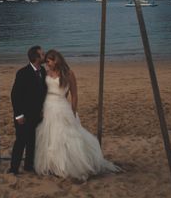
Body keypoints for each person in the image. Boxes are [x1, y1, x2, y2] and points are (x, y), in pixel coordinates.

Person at [34, 49, 119, 181]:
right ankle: (53, 165)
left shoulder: (69, 73)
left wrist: (73, 111)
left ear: (56, 60)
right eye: (46, 62)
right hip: (48, 105)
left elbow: (74, 95)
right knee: (50, 136)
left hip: (61, 106)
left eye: (49, 62)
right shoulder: (47, 72)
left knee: (64, 136)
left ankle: (66, 166)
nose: (47, 64)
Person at [8, 45, 47, 174]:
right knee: (21, 141)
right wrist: (19, 115)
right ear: (36, 57)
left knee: (32, 141)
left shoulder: (43, 71)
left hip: (37, 114)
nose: (44, 55)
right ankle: (13, 168)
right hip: (24, 115)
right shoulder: (23, 73)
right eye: (42, 54)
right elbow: (15, 95)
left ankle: (28, 166)